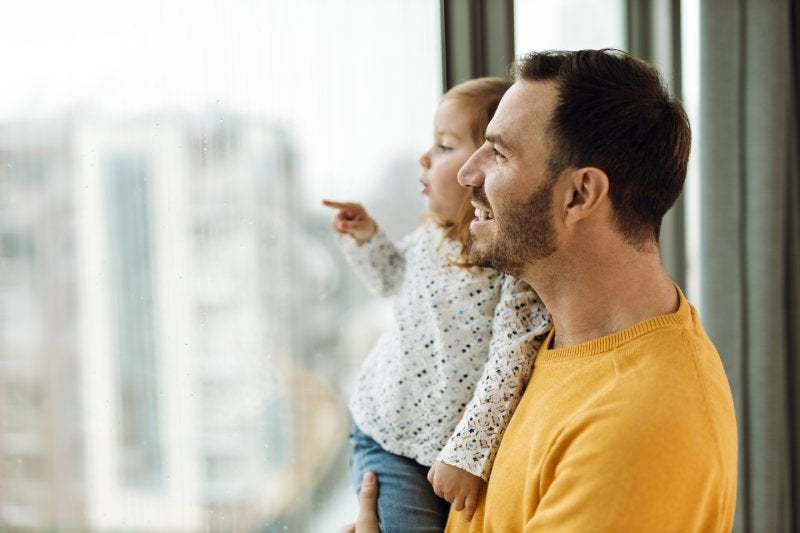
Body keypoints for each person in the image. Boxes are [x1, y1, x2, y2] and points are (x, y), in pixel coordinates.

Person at [348, 49, 738, 532]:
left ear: (578, 195)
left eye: (499, 153)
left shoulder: (640, 426)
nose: (469, 174)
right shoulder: (531, 347)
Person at [324, 76, 552, 533]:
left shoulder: (510, 268)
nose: (425, 158)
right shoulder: (431, 239)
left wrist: (468, 454)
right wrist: (368, 238)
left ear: (491, 166)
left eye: (445, 146)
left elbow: (511, 361)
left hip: (452, 448)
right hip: (386, 433)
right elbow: (391, 279)